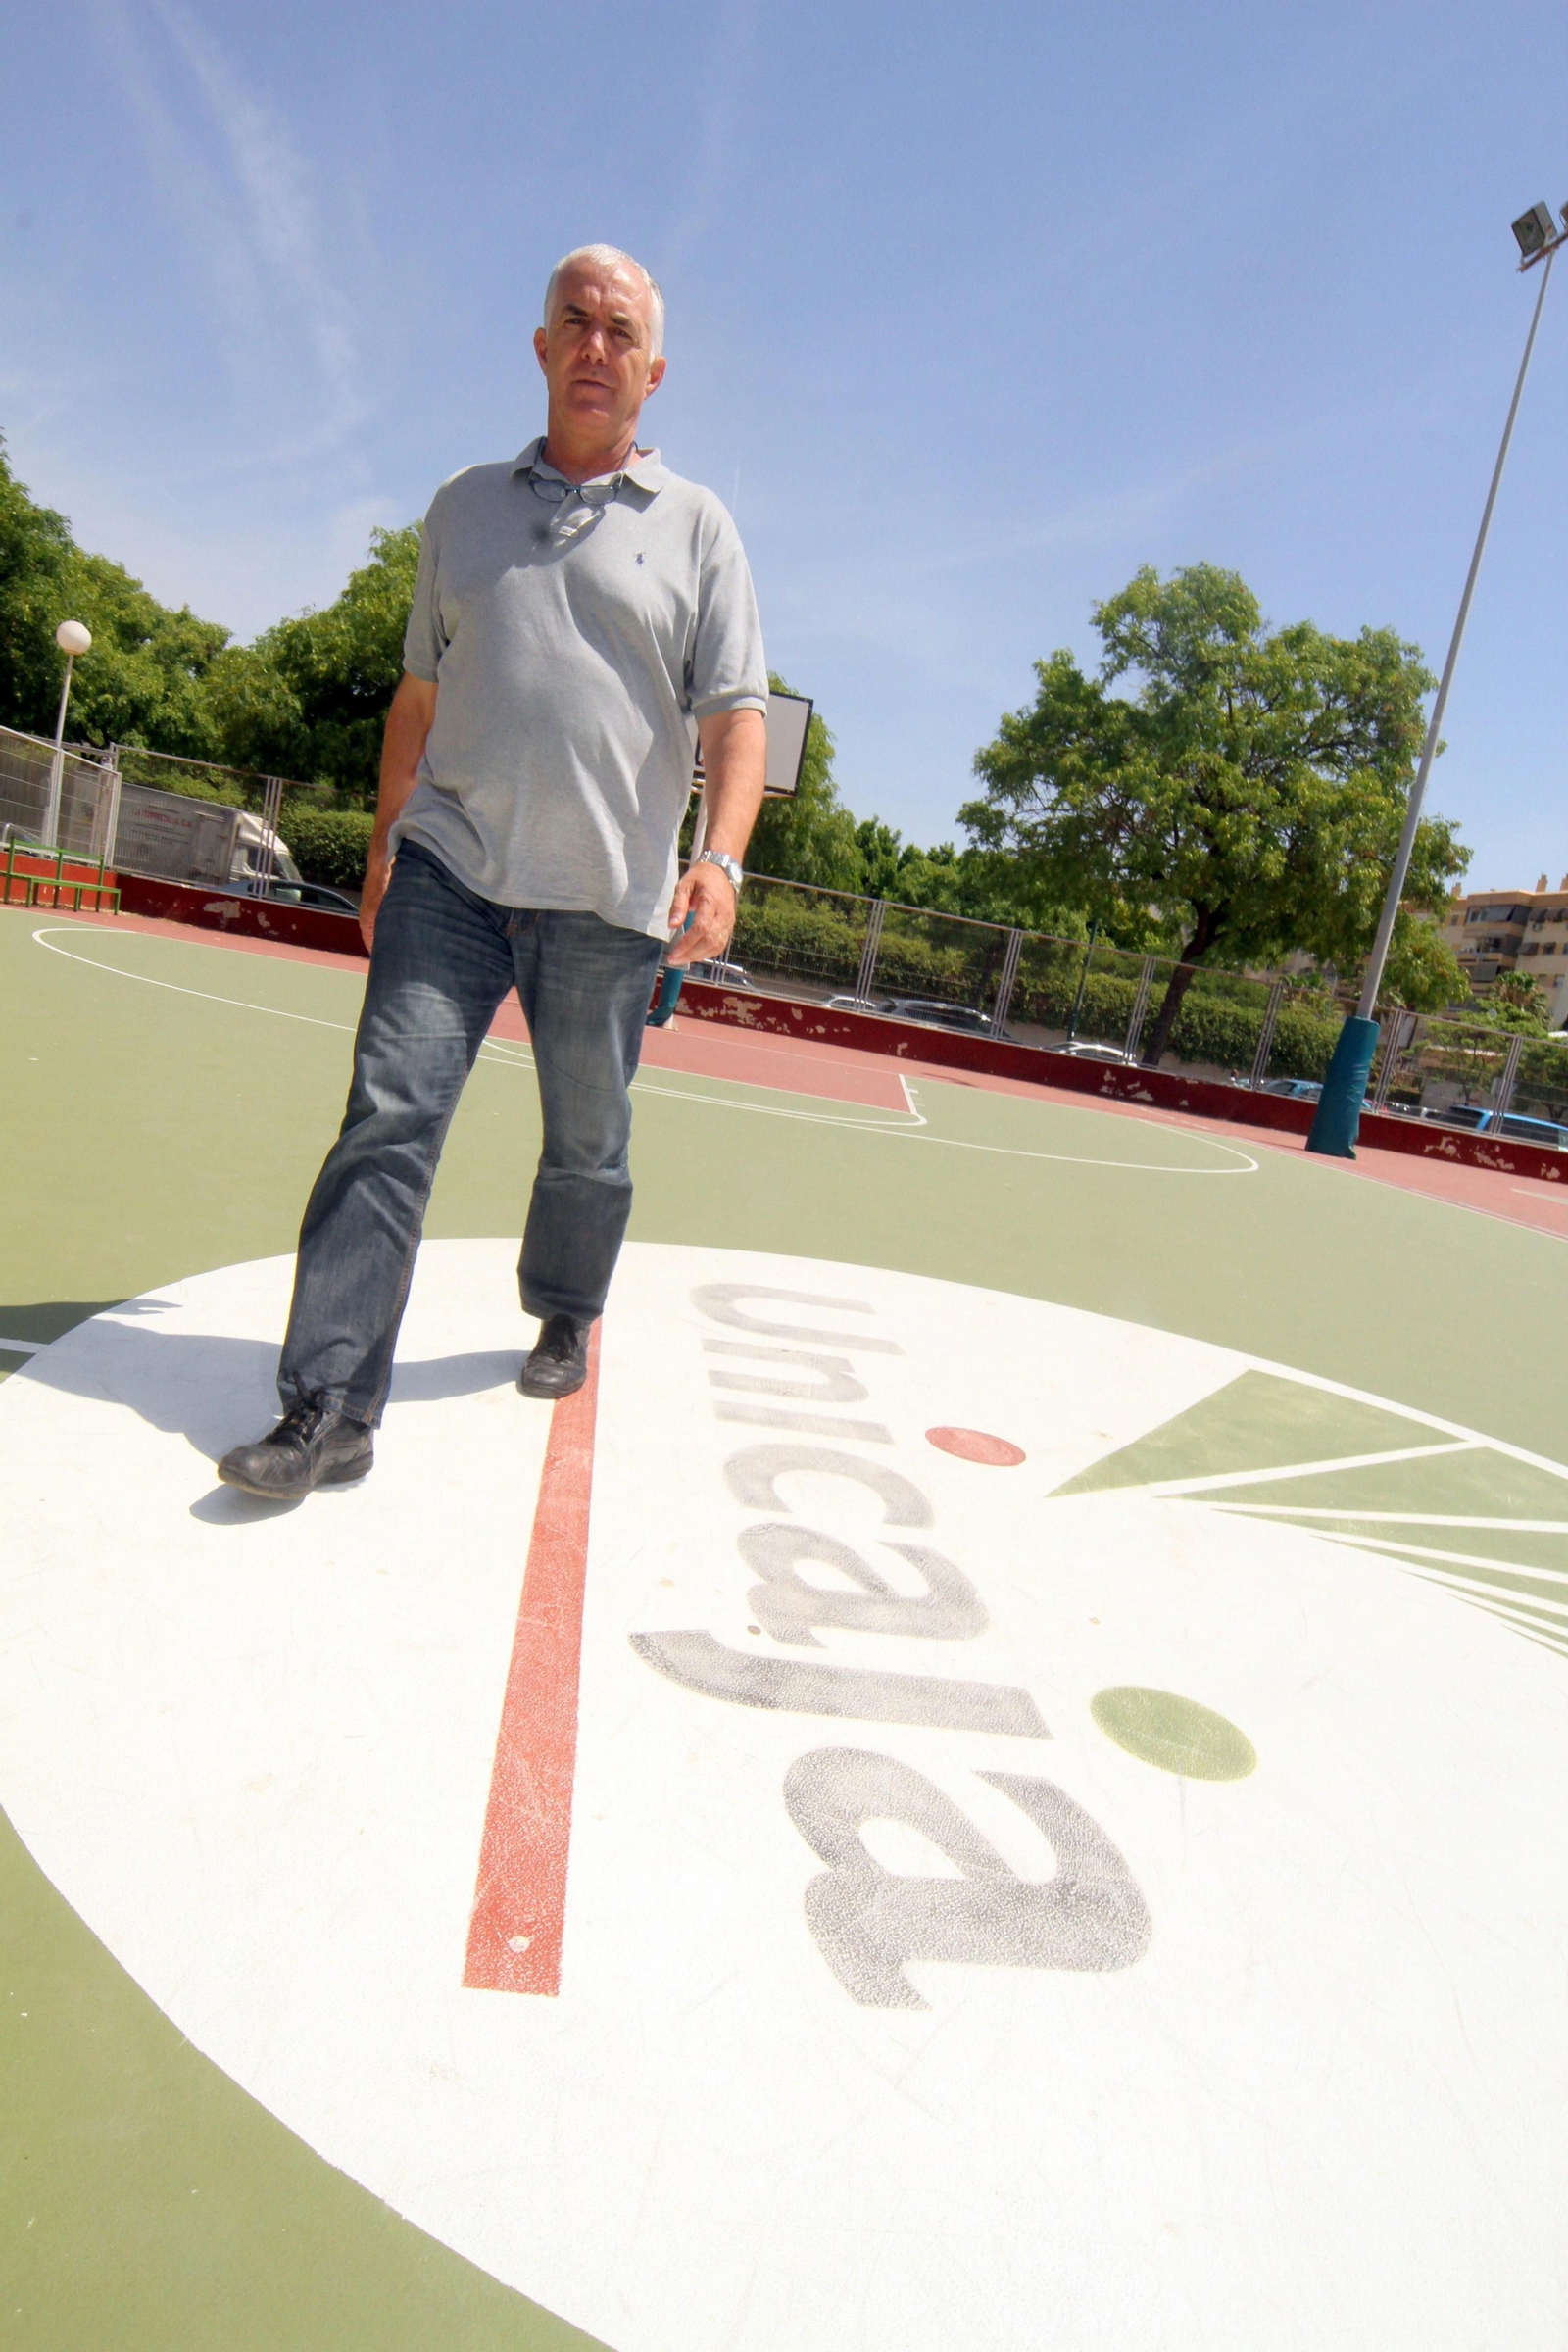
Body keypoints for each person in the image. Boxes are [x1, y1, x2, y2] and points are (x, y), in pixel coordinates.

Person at [218, 244, 767, 1501]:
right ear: (539, 347)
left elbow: (736, 715)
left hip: (610, 902)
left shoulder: (699, 528)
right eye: (573, 321)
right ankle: (329, 1409)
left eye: (620, 331)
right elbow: (419, 691)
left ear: (654, 370)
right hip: (449, 872)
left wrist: (720, 858)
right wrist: (380, 847)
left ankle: (566, 1306)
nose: (594, 345)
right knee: (390, 1118)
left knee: (588, 1140)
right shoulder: (461, 507)